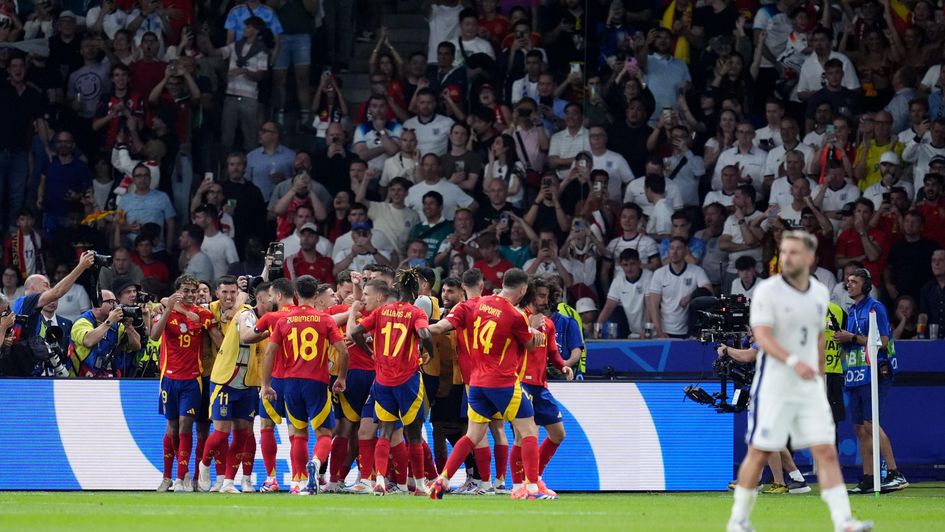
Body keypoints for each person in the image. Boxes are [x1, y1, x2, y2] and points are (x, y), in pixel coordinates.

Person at [726, 230, 871, 532]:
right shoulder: (767, 292)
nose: (788, 258)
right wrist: (793, 361)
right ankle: (739, 520)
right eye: (784, 252)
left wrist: (817, 374)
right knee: (760, 450)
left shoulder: (819, 294)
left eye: (794, 252)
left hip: (807, 384)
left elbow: (820, 337)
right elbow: (762, 337)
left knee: (826, 450)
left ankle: (844, 521)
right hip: (774, 383)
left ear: (810, 259)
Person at [427, 268, 553, 500]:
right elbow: (529, 346)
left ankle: (441, 480)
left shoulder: (480, 304)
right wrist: (535, 332)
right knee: (529, 431)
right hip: (503, 381)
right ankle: (532, 489)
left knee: (473, 435)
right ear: (523, 289)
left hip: (475, 383)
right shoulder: (515, 316)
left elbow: (447, 327)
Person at [349, 271, 435, 495]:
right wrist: (429, 353)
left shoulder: (381, 311)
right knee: (414, 434)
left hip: (383, 380)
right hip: (408, 380)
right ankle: (420, 485)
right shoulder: (416, 312)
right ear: (415, 291)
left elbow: (357, 331)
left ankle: (378, 480)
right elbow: (425, 334)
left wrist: (371, 353)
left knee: (384, 432)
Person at [260, 275, 348, 495]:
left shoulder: (283, 320)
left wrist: (266, 383)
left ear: (296, 295)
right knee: (325, 432)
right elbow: (343, 350)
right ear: (316, 294)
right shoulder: (325, 320)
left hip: (290, 384)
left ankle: (298, 483)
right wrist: (341, 378)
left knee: (298, 433)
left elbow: (270, 352)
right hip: (316, 382)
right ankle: (316, 463)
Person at [833, 268, 908, 494]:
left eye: (854, 282)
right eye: (847, 282)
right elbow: (854, 343)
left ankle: (895, 473)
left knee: (870, 424)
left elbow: (883, 341)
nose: (849, 285)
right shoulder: (853, 310)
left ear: (866, 286)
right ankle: (868, 477)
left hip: (875, 372)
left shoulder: (875, 308)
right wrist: (843, 342)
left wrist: (852, 337)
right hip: (856, 374)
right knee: (859, 428)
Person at [152, 274, 222, 493]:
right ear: (178, 291)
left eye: (194, 291)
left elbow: (218, 340)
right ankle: (170, 476)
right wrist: (171, 308)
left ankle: (182, 478)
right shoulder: (166, 310)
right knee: (171, 428)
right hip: (168, 378)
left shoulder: (203, 314)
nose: (191, 295)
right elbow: (154, 335)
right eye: (186, 291)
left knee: (185, 425)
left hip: (193, 379)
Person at [197, 281, 269, 494]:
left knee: (244, 433)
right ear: (264, 299)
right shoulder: (246, 314)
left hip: (248, 383)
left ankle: (229, 482)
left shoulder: (270, 319)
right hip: (226, 381)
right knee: (221, 433)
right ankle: (204, 465)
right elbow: (247, 334)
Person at [515, 277, 573, 492]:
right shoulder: (518, 318)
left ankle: (535, 477)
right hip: (519, 384)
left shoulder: (548, 324)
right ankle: (519, 485)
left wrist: (563, 366)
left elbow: (552, 353)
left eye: (547, 296)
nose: (544, 300)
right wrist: (528, 328)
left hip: (541, 386)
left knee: (558, 434)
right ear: (529, 294)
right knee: (523, 436)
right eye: (540, 295)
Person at [646, 237, 712, 339]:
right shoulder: (659, 273)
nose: (674, 252)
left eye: (679, 248)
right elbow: (653, 304)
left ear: (686, 251)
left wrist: (690, 296)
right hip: (665, 331)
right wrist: (658, 330)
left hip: (689, 331)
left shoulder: (696, 271)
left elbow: (708, 291)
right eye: (672, 248)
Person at [70, 288, 142, 378]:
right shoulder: (82, 322)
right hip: (81, 378)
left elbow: (136, 346)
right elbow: (88, 341)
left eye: (115, 302)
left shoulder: (117, 324)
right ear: (98, 303)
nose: (115, 306)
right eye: (110, 302)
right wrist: (109, 322)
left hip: (109, 378)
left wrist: (129, 327)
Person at [918, 249, 945, 333]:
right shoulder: (927, 288)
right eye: (933, 261)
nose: (936, 264)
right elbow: (923, 316)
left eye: (940, 260)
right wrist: (920, 334)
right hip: (934, 339)